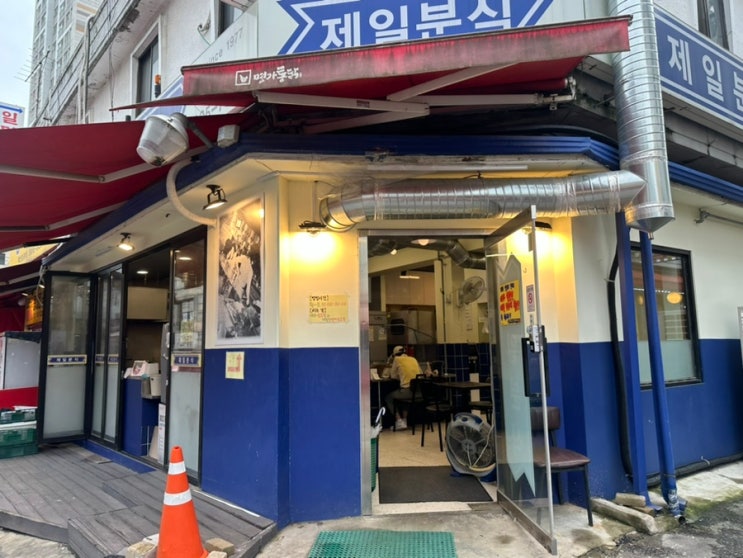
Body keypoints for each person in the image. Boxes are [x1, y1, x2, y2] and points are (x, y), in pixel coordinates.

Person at [384, 345, 421, 431]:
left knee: (388, 398)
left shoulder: (397, 359)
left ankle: (399, 421)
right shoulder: (413, 359)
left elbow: (393, 376)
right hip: (419, 392)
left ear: (394, 355)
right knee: (405, 398)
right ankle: (404, 421)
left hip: (407, 392)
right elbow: (420, 373)